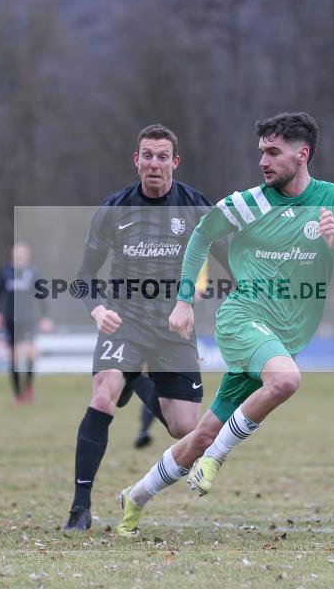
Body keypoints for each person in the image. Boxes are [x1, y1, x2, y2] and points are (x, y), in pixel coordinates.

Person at [116, 112, 334, 537]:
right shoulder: (248, 203)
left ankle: (135, 497)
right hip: (243, 320)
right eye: (261, 153)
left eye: (273, 152)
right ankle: (218, 456)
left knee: (200, 435)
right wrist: (183, 302)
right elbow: (200, 236)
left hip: (283, 337)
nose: (263, 161)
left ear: (302, 154)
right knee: (286, 381)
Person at [63, 124, 229, 531]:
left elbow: (232, 258)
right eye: (147, 156)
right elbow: (83, 275)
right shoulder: (114, 209)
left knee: (185, 430)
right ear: (136, 160)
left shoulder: (195, 207)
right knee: (103, 396)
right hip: (125, 320)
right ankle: (79, 508)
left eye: (162, 157)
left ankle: (137, 379)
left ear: (175, 162)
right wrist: (96, 310)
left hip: (174, 327)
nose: (154, 164)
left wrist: (250, 298)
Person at [0, 242, 53, 405]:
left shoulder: (33, 273)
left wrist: (45, 317)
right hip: (10, 319)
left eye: (23, 253)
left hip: (28, 319)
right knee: (14, 358)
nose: (20, 256)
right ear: (12, 254)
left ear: (28, 255)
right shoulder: (5, 272)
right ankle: (18, 396)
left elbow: (42, 295)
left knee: (30, 353)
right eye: (17, 253)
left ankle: (29, 387)